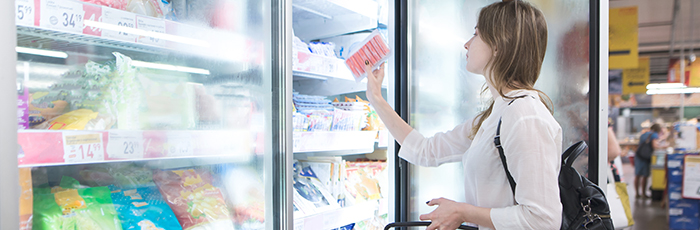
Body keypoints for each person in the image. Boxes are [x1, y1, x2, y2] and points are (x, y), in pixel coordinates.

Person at [365, 1, 561, 229]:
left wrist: (462, 212)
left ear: (498, 46)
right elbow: (426, 151)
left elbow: (543, 220)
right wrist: (376, 98)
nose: (467, 44)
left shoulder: (525, 115)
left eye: (476, 34)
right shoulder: (497, 114)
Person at [634, 123, 665, 198]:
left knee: (637, 175)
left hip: (639, 155)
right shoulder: (654, 135)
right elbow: (654, 146)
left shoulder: (644, 134)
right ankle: (644, 193)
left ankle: (637, 193)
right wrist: (664, 146)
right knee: (645, 175)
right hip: (646, 157)